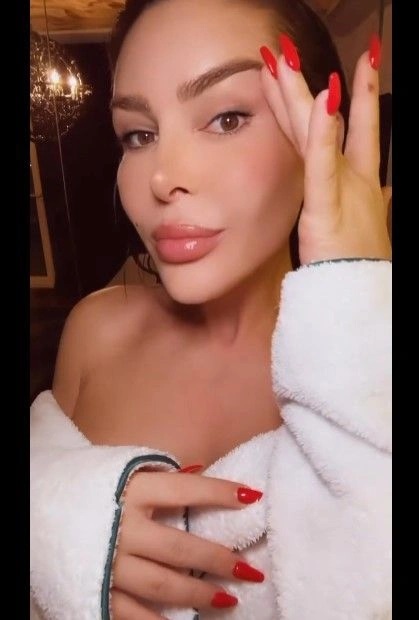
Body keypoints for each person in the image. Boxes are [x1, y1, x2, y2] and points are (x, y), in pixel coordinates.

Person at [30, 0, 392, 618]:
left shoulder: (373, 365)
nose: (162, 176)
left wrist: (360, 296)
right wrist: (58, 535)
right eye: (139, 135)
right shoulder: (96, 332)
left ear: (319, 132)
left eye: (227, 118)